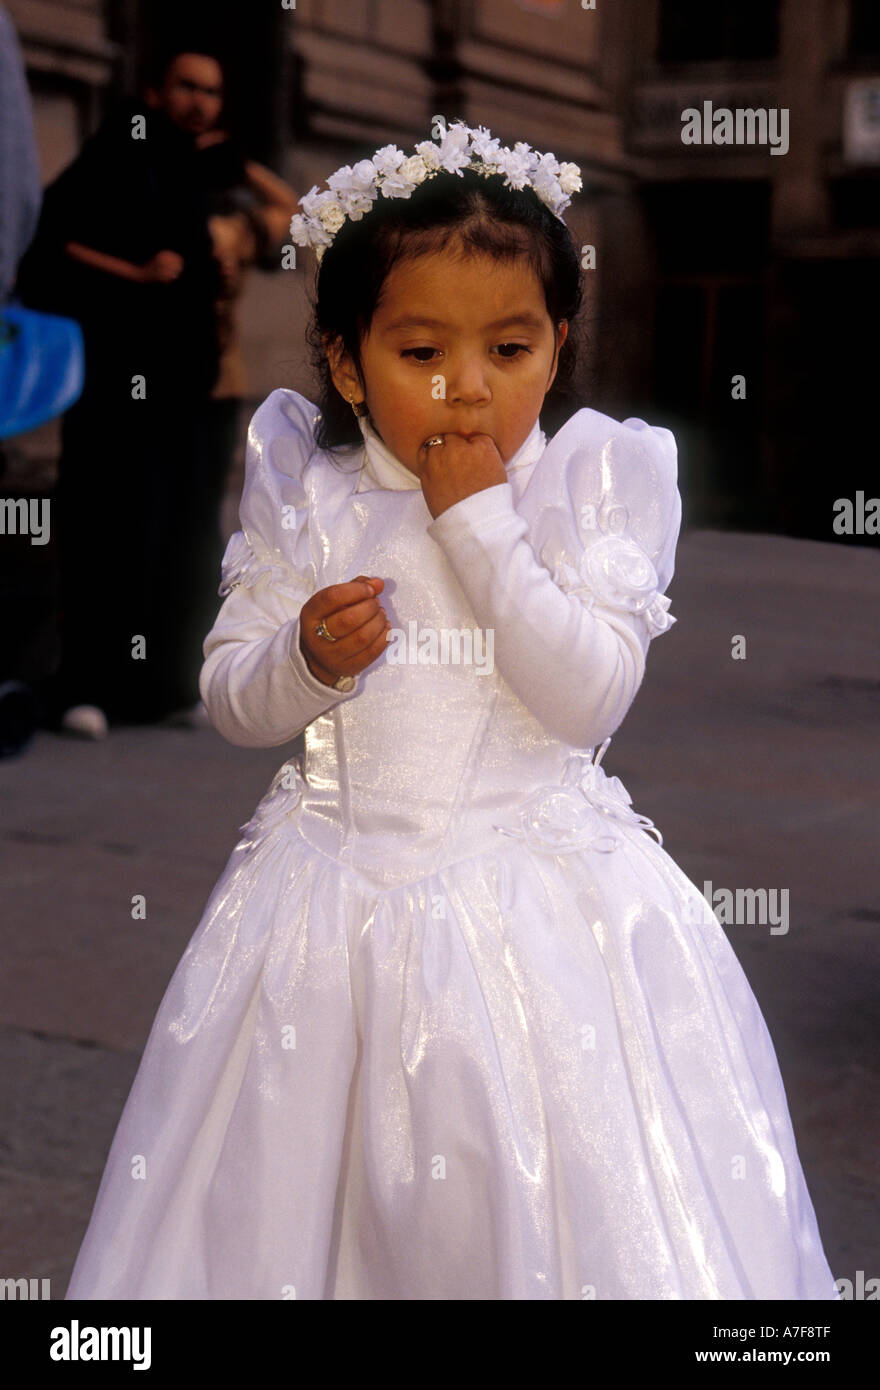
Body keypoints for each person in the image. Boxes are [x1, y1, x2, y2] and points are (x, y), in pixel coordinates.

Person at [64, 121, 838, 1300]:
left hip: (541, 920)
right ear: (343, 359)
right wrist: (305, 659)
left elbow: (585, 696)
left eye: (510, 347)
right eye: (420, 349)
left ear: (558, 346)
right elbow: (231, 697)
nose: (467, 385)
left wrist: (480, 525)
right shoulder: (309, 494)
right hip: (320, 911)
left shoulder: (588, 488)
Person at [14, 48, 224, 736]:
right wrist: (134, 273)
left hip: (181, 389)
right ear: (156, 92)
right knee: (109, 526)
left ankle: (160, 686)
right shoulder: (116, 153)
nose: (200, 102)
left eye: (212, 92)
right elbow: (49, 242)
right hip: (113, 382)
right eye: (187, 86)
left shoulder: (193, 168)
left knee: (179, 532)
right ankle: (87, 687)